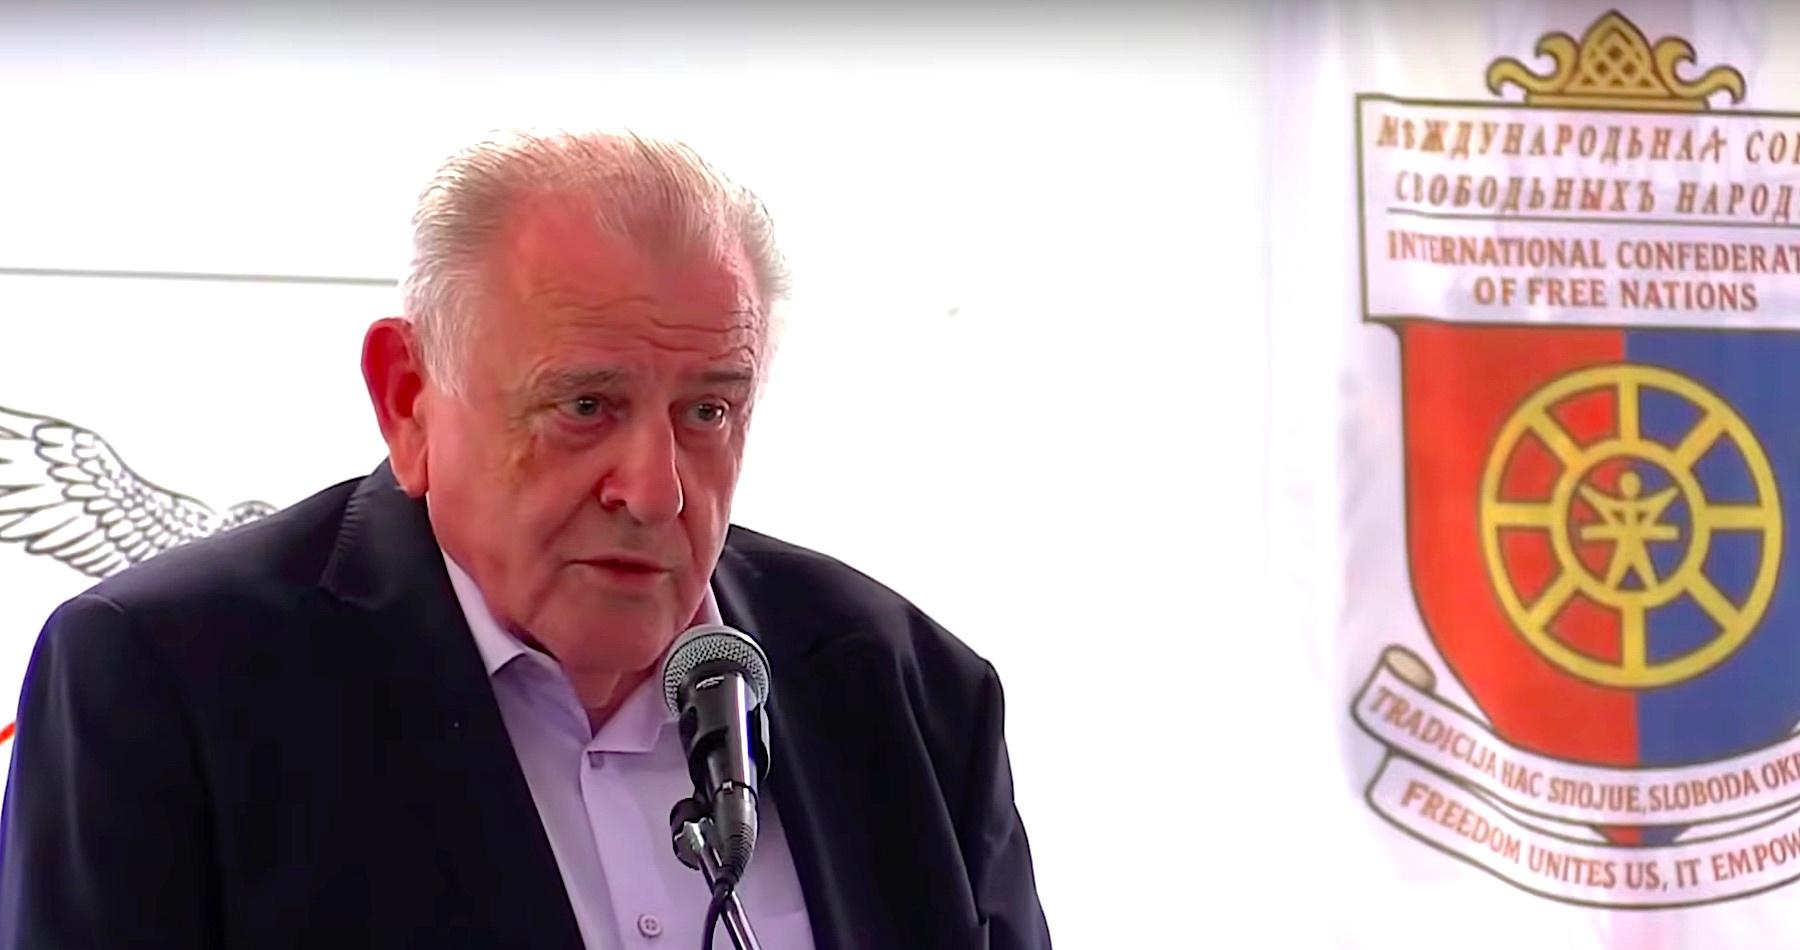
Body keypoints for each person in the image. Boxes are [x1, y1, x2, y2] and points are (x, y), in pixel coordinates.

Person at [0, 131, 1050, 949]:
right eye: (586, 406)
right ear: (409, 399)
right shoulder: (170, 680)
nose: (654, 490)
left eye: (709, 411)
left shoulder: (907, 690)